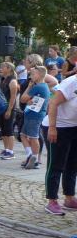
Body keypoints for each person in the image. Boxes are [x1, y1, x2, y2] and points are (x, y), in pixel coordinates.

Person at [42, 69, 77, 216]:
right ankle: (52, 201)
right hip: (57, 127)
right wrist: (52, 127)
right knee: (56, 164)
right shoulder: (72, 82)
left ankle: (69, 198)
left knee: (72, 165)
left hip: (74, 127)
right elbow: (53, 103)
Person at [19, 66, 49, 169]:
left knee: (33, 137)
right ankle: (30, 156)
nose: (30, 76)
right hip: (32, 114)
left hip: (34, 115)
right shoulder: (43, 86)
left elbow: (22, 99)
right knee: (23, 135)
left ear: (39, 75)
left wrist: (29, 87)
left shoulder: (38, 87)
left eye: (33, 74)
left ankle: (34, 160)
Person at [0, 62, 19, 159]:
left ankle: (10, 151)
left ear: (9, 69)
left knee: (9, 130)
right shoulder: (3, 80)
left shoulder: (12, 81)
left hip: (9, 109)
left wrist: (9, 110)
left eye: (3, 67)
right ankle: (6, 150)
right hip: (1, 109)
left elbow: (13, 97)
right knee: (4, 130)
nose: (0, 69)